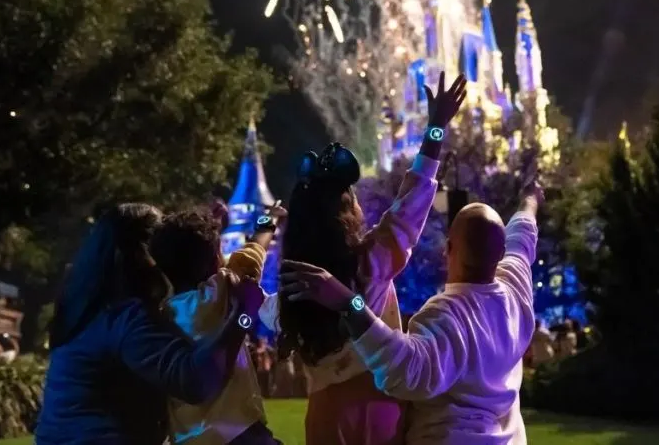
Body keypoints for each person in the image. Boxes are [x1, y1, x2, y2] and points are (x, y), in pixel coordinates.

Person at [263, 73, 468, 445]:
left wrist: (261, 234)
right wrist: (435, 128)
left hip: (325, 418)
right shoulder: (370, 264)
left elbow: (259, 304)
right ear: (347, 212)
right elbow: (414, 200)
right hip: (382, 408)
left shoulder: (292, 288)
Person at [281, 184, 543, 445]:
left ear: (448, 250)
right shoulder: (515, 289)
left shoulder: (448, 316)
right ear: (500, 253)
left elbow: (405, 370)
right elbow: (523, 235)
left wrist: (349, 304)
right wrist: (530, 200)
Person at [35, 203, 262, 445]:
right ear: (142, 253)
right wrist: (244, 315)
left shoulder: (85, 306)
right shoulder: (123, 318)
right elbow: (195, 381)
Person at [152, 203, 282, 445]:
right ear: (215, 261)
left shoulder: (157, 315)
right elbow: (251, 253)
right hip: (240, 433)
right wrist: (269, 220)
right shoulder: (222, 291)